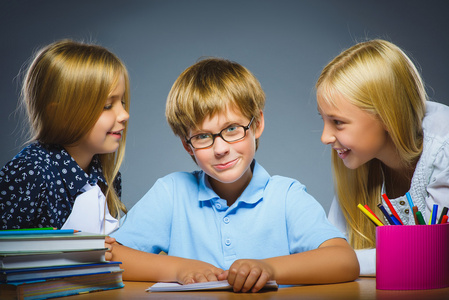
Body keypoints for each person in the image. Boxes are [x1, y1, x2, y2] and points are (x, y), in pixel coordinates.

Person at [107, 57, 359, 293]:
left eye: (231, 129)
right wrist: (180, 269)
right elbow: (108, 254)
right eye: (202, 136)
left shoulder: (286, 196)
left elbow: (344, 260)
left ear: (257, 124)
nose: (220, 149)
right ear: (187, 145)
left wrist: (269, 269)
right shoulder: (171, 192)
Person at [316, 39, 449, 276]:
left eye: (338, 122)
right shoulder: (357, 160)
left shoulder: (444, 148)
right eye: (323, 120)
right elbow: (332, 246)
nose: (325, 137)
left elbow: (434, 256)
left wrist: (341, 263)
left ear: (388, 116)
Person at [0, 40, 130, 234]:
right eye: (107, 106)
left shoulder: (107, 177)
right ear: (60, 113)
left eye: (123, 102)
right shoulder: (30, 172)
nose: (124, 115)